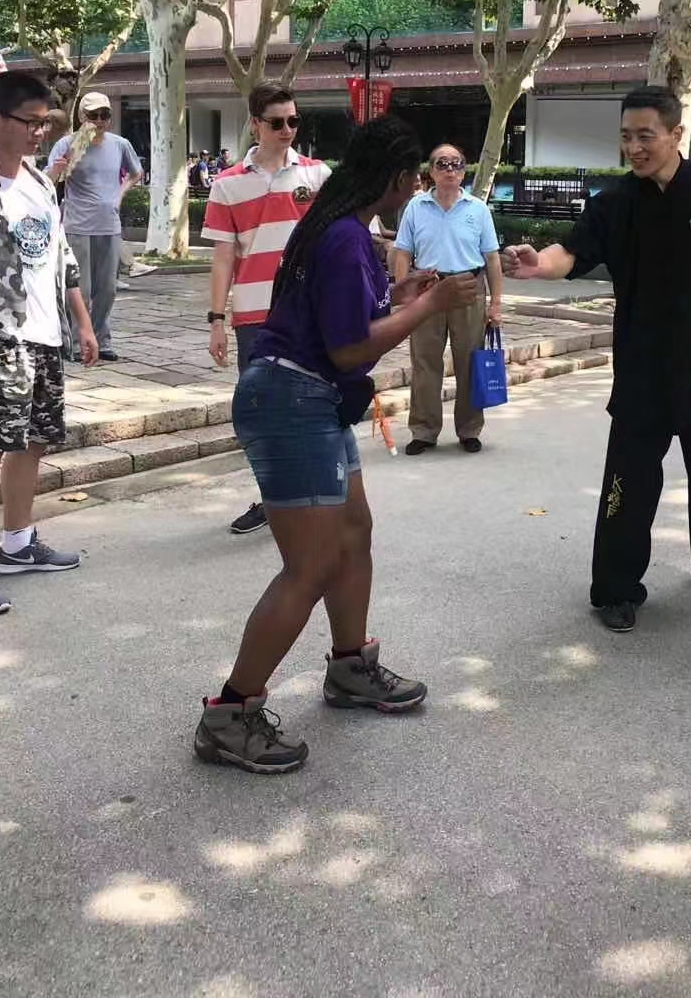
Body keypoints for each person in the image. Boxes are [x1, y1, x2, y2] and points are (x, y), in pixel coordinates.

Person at [194, 115, 478, 775]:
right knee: (312, 565)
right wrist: (427, 310)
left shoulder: (339, 229)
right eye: (409, 180)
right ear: (390, 178)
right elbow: (351, 346)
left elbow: (348, 317)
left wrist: (399, 293)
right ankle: (229, 712)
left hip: (307, 397)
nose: (411, 192)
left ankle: (351, 667)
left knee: (354, 533)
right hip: (291, 400)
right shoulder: (345, 237)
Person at [504, 85, 691, 634]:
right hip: (643, 371)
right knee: (628, 483)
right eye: (626, 136)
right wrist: (540, 264)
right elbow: (572, 254)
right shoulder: (615, 204)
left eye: (645, 136)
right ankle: (615, 588)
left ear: (677, 134)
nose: (634, 147)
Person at [0, 71, 98, 618]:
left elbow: (61, 255)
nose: (39, 132)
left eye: (45, 123)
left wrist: (84, 322)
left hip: (44, 335)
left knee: (35, 440)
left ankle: (17, 543)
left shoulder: (41, 182)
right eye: (29, 122)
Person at [202, 83, 329, 535]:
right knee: (258, 412)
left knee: (311, 405)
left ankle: (312, 497)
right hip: (254, 315)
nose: (287, 130)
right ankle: (271, 497)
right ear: (255, 124)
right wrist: (217, 320)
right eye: (277, 122)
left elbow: (338, 241)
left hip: (308, 313)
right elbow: (222, 259)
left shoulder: (316, 176)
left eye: (294, 121)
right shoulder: (228, 184)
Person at [392, 143, 503, 456]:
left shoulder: (477, 209)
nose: (450, 170)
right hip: (428, 288)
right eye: (442, 164)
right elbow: (403, 252)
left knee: (470, 362)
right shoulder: (416, 207)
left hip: (468, 286)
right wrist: (403, 292)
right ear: (431, 171)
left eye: (456, 164)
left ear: (464, 170)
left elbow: (492, 259)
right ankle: (424, 431)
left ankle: (469, 429)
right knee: (425, 361)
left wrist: (495, 304)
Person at [46, 91, 143, 361]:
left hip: (109, 225)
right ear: (81, 117)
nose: (99, 121)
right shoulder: (67, 144)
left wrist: (119, 195)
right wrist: (59, 169)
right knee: (82, 290)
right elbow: (46, 180)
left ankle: (101, 338)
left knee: (108, 288)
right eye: (93, 116)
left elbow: (136, 173)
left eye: (104, 115)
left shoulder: (120, 144)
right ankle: (79, 343)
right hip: (77, 225)